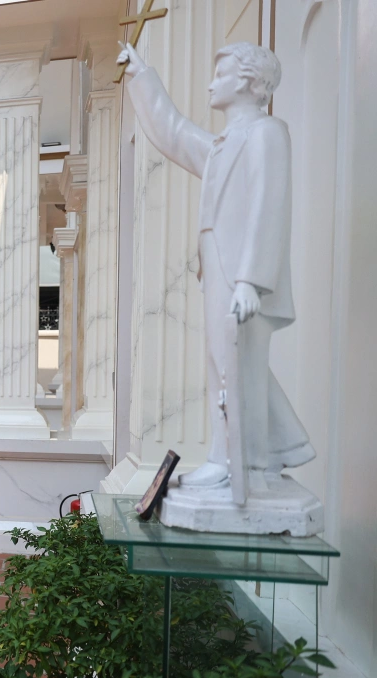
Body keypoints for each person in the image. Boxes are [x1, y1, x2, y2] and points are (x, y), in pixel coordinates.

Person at [118, 40, 314, 497]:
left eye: (220, 73)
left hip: (241, 275)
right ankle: (273, 449)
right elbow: (175, 133)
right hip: (220, 270)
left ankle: (231, 462)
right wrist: (141, 77)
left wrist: (251, 279)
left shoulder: (267, 133)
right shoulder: (226, 144)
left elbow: (270, 205)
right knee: (226, 364)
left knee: (234, 366)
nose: (211, 81)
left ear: (248, 82)